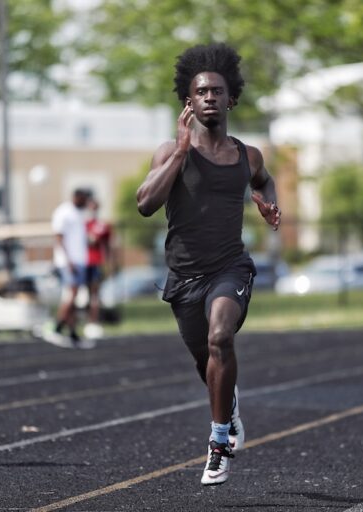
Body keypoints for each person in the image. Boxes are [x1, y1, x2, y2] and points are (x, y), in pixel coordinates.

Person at [137, 43, 281, 485]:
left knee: (221, 337)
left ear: (231, 98)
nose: (210, 98)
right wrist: (180, 153)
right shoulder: (169, 151)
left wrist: (269, 203)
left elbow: (265, 180)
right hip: (183, 277)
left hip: (230, 267)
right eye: (201, 92)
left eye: (217, 91)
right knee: (206, 360)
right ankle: (229, 407)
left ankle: (218, 443)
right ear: (189, 100)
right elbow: (144, 204)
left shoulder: (247, 155)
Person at [45, 187, 94, 349]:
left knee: (74, 297)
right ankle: (57, 328)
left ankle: (73, 333)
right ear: (77, 197)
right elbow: (59, 237)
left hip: (79, 261)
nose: (86, 202)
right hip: (69, 262)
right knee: (71, 295)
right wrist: (68, 261)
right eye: (85, 199)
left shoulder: (78, 213)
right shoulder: (63, 212)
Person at [84, 197, 112, 341]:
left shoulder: (102, 225)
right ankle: (85, 322)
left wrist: (108, 263)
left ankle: (93, 322)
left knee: (95, 293)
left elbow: (102, 244)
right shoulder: (83, 224)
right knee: (84, 294)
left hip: (95, 262)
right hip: (83, 263)